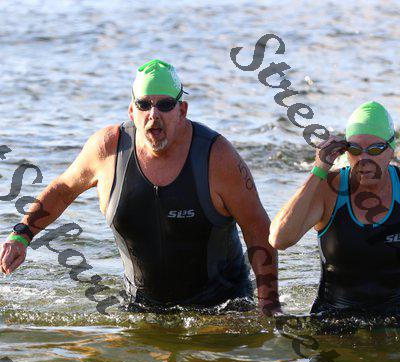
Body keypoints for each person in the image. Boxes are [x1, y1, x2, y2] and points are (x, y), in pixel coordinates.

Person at [0, 59, 280, 315]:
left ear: (182, 111)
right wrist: (21, 235)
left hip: (222, 309)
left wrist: (269, 306)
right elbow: (63, 189)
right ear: (132, 111)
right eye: (144, 105)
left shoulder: (217, 157)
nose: (154, 114)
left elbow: (257, 229)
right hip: (140, 308)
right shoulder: (108, 149)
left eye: (165, 105)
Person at [269, 100, 400, 315]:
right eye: (354, 149)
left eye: (375, 149)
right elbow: (279, 239)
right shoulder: (329, 189)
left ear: (391, 150)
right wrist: (318, 171)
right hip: (333, 320)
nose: (364, 158)